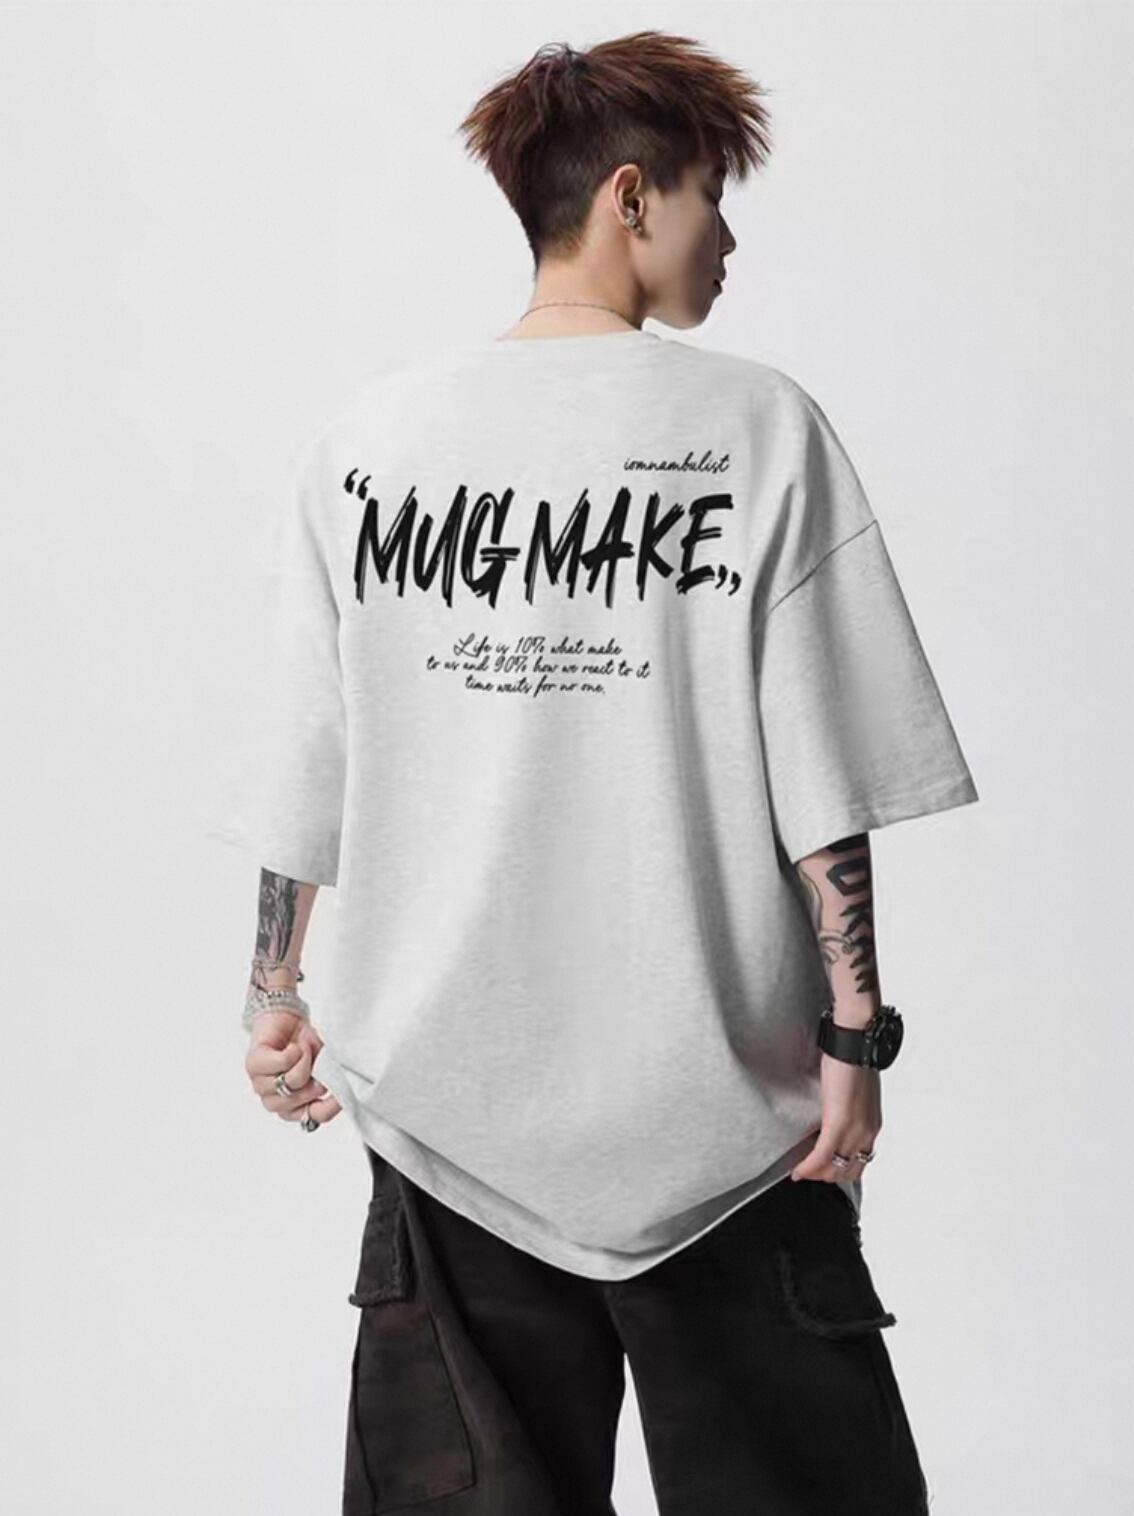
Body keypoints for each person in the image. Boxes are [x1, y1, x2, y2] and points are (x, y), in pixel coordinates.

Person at [222, 29, 978, 1516]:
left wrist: (270, 991)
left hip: (447, 1106)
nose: (727, 241)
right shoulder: (755, 427)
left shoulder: (368, 445)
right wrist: (854, 1037)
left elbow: (309, 759)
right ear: (632, 198)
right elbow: (819, 775)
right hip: (731, 1115)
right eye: (710, 200)